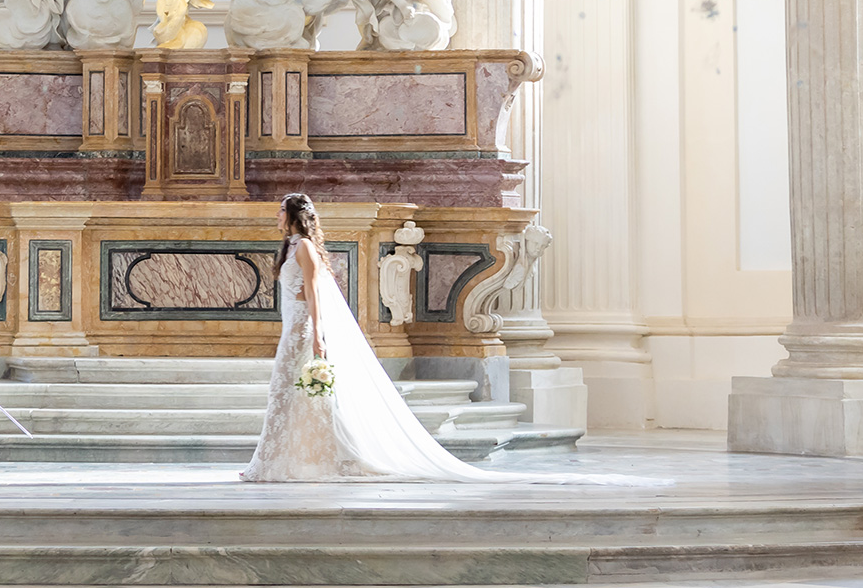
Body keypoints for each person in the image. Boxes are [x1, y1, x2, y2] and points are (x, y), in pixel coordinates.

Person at [241, 193, 662, 485]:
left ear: (294, 216)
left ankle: (290, 460)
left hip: (303, 331)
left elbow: (314, 293)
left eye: (282, 212)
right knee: (288, 394)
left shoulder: (305, 251)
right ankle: (283, 458)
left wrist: (317, 337)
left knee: (293, 392)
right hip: (292, 328)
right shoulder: (292, 245)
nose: (277, 217)